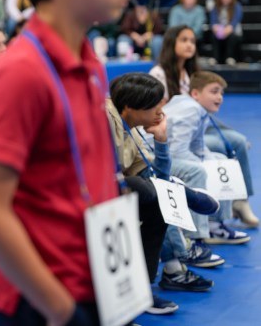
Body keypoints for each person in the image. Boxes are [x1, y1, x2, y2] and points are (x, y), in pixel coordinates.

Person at [0, 0, 137, 325]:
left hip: (99, 281)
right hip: (42, 303)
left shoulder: (89, 61)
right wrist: (60, 308)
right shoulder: (22, 72)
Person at [107, 73, 219, 305]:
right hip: (96, 191)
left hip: (123, 187)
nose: (161, 112)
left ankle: (142, 291)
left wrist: (161, 139)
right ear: (130, 107)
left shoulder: (131, 125)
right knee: (141, 186)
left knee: (159, 201)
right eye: (155, 106)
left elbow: (158, 175)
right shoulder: (105, 121)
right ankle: (187, 195)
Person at [151, 25, 258, 227]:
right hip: (176, 131)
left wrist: (230, 133)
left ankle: (241, 200)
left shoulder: (192, 73)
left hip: (197, 127)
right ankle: (215, 211)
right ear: (170, 43)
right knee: (217, 150)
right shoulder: (159, 73)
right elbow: (162, 114)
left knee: (239, 141)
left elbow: (204, 115)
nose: (190, 45)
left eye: (192, 41)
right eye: (184, 40)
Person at [163, 71, 250, 245]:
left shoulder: (199, 110)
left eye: (221, 93)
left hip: (169, 155)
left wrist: (215, 164)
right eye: (214, 91)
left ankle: (216, 224)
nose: (220, 97)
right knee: (200, 170)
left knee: (220, 161)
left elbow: (197, 147)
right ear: (195, 93)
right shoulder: (191, 109)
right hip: (155, 159)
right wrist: (208, 166)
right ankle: (197, 235)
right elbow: (177, 151)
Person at [210, 0, 243, 65]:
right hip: (220, 31)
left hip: (233, 32)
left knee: (231, 36)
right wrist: (217, 29)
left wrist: (226, 30)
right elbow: (213, 22)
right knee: (214, 36)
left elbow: (234, 22)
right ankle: (215, 58)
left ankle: (230, 57)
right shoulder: (216, 7)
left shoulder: (237, 6)